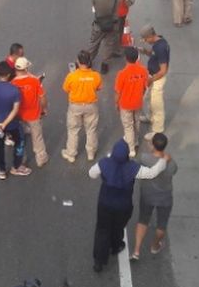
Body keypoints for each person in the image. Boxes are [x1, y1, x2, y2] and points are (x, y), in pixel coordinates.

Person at [89, 140, 168, 272]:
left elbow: (91, 173)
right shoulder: (133, 168)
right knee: (118, 227)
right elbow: (152, 173)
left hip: (105, 204)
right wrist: (163, 161)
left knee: (102, 230)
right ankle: (116, 246)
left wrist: (107, 160)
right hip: (123, 206)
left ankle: (99, 261)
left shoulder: (104, 163)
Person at [131, 133, 177, 260]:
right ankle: (155, 246)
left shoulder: (144, 158)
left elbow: (134, 166)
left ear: (152, 145)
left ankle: (136, 251)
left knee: (143, 220)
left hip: (147, 195)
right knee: (161, 225)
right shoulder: (171, 163)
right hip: (165, 197)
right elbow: (174, 171)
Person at [0, 61, 29, 179]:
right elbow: (15, 110)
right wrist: (5, 124)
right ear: (8, 75)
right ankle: (16, 166)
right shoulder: (14, 90)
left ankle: (1, 171)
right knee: (20, 142)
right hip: (12, 124)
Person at [62, 50, 104, 164]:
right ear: (90, 61)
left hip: (75, 106)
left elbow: (66, 89)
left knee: (73, 130)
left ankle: (71, 154)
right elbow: (99, 88)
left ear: (78, 61)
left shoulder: (72, 75)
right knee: (91, 130)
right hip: (91, 106)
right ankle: (90, 153)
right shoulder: (95, 75)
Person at [13, 57, 48, 167]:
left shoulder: (12, 83)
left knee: (19, 138)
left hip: (19, 115)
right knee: (37, 137)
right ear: (26, 68)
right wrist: (44, 109)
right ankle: (41, 159)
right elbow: (42, 97)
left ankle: (21, 159)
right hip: (34, 115)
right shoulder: (34, 81)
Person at [86, 0, 123, 72]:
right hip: (112, 25)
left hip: (99, 24)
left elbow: (94, 3)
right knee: (109, 45)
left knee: (94, 43)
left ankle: (88, 61)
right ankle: (105, 65)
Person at [140, 26, 170, 139]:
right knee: (149, 98)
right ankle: (150, 117)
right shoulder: (157, 43)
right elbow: (153, 55)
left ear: (150, 36)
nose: (145, 41)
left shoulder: (161, 48)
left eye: (145, 39)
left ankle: (158, 130)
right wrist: (144, 51)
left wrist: (151, 79)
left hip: (157, 78)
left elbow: (163, 70)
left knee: (157, 104)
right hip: (152, 75)